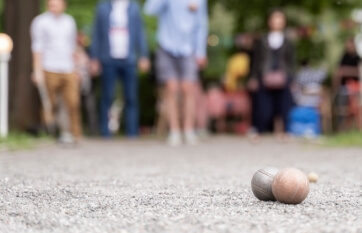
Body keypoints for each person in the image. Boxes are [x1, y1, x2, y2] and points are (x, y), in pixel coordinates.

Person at [144, 0, 209, 146]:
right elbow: (149, 9)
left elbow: (201, 24)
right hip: (166, 46)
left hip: (188, 49)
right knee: (171, 89)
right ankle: (174, 131)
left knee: (188, 89)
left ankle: (189, 130)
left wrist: (201, 51)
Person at [90, 0, 150, 138]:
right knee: (107, 96)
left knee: (131, 97)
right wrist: (94, 58)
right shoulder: (102, 8)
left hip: (129, 59)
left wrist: (143, 55)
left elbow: (140, 32)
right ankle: (105, 132)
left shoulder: (134, 8)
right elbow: (96, 33)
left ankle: (132, 132)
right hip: (108, 58)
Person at [31, 0, 82, 144]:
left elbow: (72, 46)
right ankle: (50, 133)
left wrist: (76, 69)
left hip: (68, 67)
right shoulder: (40, 22)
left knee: (73, 102)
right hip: (49, 67)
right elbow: (37, 47)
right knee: (50, 103)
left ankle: (75, 134)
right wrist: (37, 70)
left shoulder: (69, 22)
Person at [248, 9, 295, 141]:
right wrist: (253, 77)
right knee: (263, 106)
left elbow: (291, 61)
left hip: (283, 76)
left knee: (284, 105)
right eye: (274, 18)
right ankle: (258, 130)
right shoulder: (262, 40)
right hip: (265, 75)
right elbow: (256, 60)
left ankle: (285, 132)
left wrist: (291, 77)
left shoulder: (288, 41)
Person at [333, 38, 361, 131]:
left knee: (355, 109)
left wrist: (347, 71)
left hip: (355, 87)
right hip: (343, 88)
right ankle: (342, 128)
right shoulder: (344, 57)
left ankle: (355, 128)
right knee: (342, 108)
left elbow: (358, 72)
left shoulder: (358, 58)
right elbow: (338, 71)